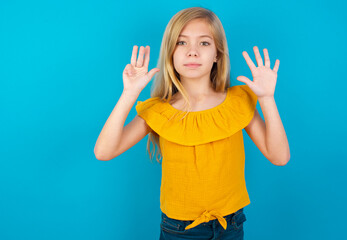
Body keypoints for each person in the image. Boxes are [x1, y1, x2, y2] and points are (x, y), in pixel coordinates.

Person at [94, 6, 290, 240]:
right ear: (170, 53)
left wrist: (267, 98)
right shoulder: (160, 111)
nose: (192, 52)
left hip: (231, 226)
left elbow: (280, 157)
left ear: (217, 53)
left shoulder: (237, 103)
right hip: (179, 231)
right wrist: (129, 93)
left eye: (204, 43)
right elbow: (104, 152)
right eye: (182, 42)